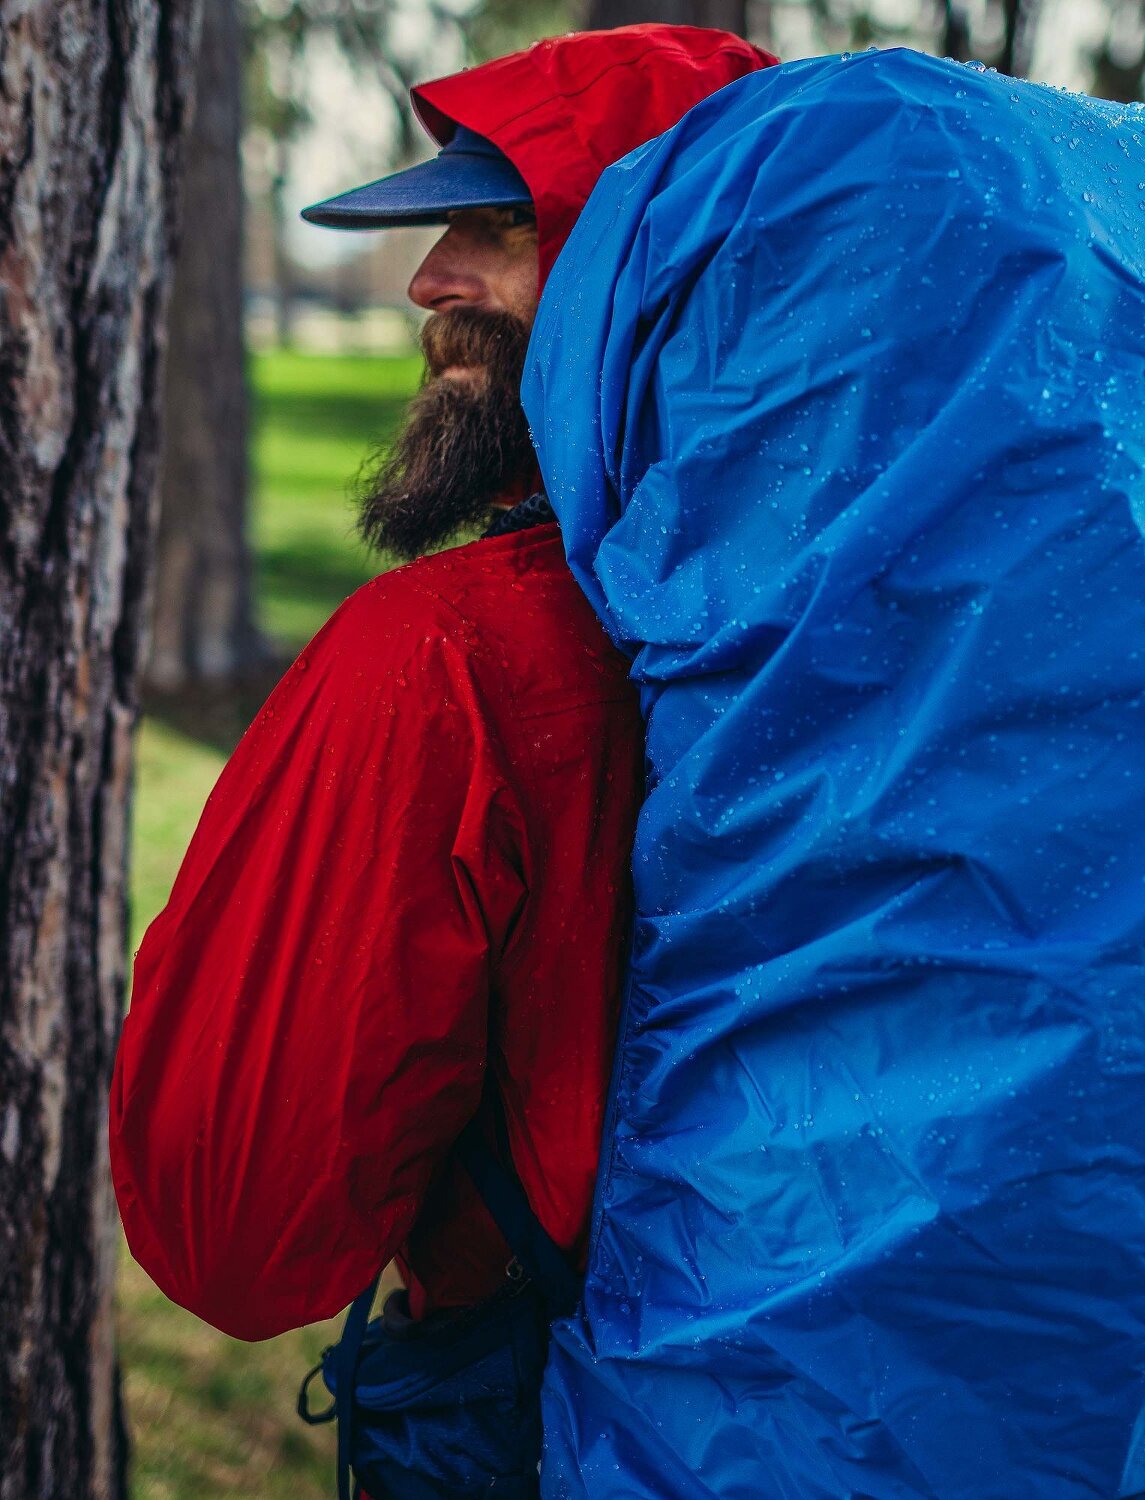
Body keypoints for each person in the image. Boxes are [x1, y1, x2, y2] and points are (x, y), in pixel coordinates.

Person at [110, 23, 776, 1348]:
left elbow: (236, 1232)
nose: (428, 280)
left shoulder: (447, 657)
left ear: (657, 265)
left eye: (503, 225)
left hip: (572, 1416)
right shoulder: (855, 615)